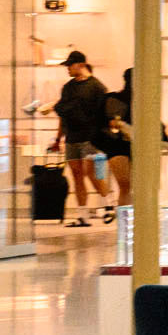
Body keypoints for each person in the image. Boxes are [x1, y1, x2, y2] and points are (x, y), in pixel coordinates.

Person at [51, 51, 112, 225]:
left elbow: (103, 114)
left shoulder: (97, 87)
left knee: (90, 172)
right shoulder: (68, 87)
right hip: (72, 137)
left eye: (70, 65)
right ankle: (82, 215)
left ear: (81, 65)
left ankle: (108, 205)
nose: (68, 69)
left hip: (91, 137)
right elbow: (62, 114)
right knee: (77, 175)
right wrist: (58, 138)